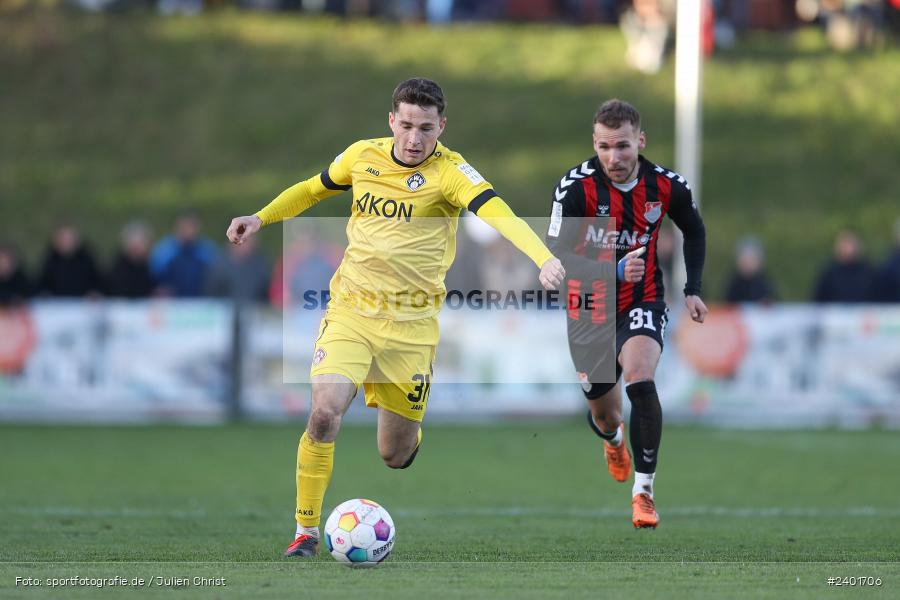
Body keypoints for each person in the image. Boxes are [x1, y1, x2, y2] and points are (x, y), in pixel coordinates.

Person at [225, 78, 565, 558]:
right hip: (352, 312)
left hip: (411, 328)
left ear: (441, 127)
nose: (414, 138)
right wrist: (261, 217)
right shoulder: (362, 155)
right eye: (406, 125)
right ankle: (304, 531)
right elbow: (311, 189)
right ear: (391, 121)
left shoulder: (451, 173)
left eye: (426, 128)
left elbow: (498, 213)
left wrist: (541, 256)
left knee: (394, 454)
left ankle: (409, 433)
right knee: (324, 412)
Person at [546, 99, 707, 529]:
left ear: (640, 141)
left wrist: (692, 289)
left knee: (640, 377)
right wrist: (611, 269)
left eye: (622, 146)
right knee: (605, 413)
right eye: (604, 147)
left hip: (644, 297)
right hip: (590, 305)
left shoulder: (666, 186)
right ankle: (614, 439)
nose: (614, 158)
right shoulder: (575, 188)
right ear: (594, 144)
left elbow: (693, 228)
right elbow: (557, 255)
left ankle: (644, 493)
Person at [150, 212, 217, 297]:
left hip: (200, 301)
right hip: (173, 302)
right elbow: (156, 277)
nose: (189, 231)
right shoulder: (164, 250)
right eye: (185, 226)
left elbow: (214, 276)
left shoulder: (206, 250)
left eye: (192, 226)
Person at [37, 222, 104, 297]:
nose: (67, 242)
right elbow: (42, 284)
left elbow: (98, 283)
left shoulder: (86, 260)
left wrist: (94, 291)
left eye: (69, 238)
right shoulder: (50, 260)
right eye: (63, 238)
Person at [813, 230, 875, 303]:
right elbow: (819, 299)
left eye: (851, 244)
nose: (848, 249)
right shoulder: (829, 273)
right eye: (845, 245)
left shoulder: (868, 272)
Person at [107, 221, 156, 299]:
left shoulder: (153, 266)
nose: (137, 247)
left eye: (140, 243)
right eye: (134, 243)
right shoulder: (116, 268)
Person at [724, 236, 776, 303]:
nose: (748, 263)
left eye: (751, 259)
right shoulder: (733, 283)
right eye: (745, 259)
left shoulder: (765, 283)